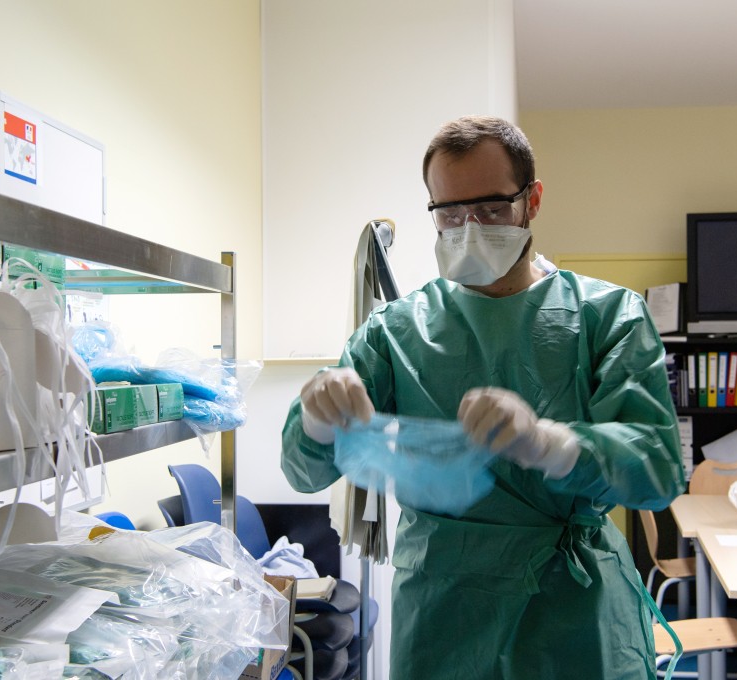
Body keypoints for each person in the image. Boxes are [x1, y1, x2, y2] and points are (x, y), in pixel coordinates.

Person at [281, 115, 684, 680]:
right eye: (449, 213)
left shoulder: (606, 316)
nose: (469, 227)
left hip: (571, 609)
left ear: (532, 201)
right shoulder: (396, 330)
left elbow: (658, 472)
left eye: (492, 209)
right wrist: (319, 419)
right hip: (444, 611)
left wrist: (548, 444)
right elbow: (302, 472)